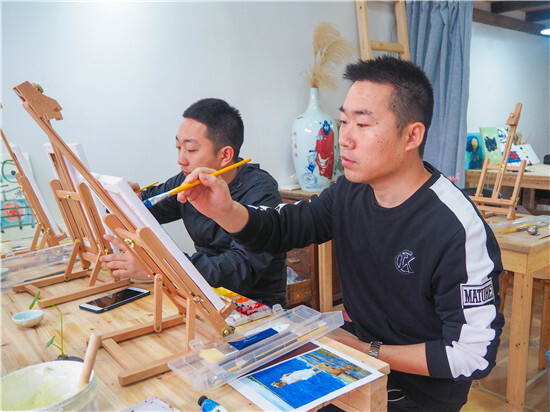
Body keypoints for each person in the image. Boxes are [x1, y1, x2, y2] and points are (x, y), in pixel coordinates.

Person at [177, 56, 504, 411]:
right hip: (352, 365)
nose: (344, 138)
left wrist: (366, 350)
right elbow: (286, 226)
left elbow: (473, 355)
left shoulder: (455, 229)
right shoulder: (351, 190)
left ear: (412, 135)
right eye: (344, 121)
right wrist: (224, 210)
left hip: (416, 395)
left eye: (362, 124)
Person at [100, 98, 287, 307]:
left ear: (225, 155)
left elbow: (240, 268)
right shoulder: (188, 181)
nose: (181, 159)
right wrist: (125, 199)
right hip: (204, 294)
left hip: (255, 304)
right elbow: (145, 210)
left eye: (190, 150)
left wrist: (161, 267)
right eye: (178, 147)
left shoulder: (261, 192)